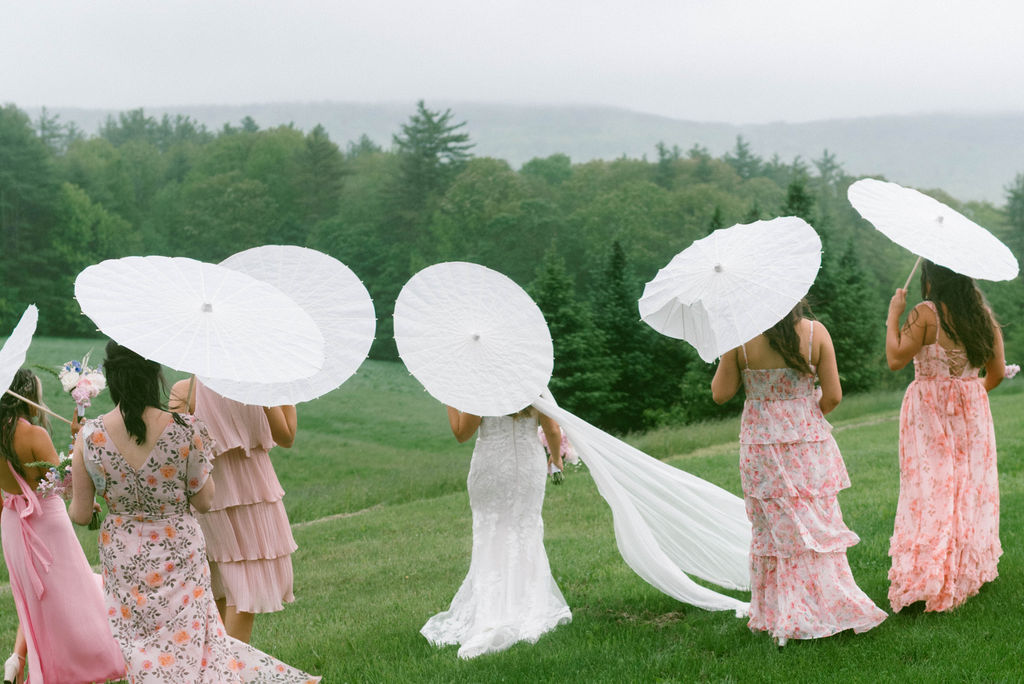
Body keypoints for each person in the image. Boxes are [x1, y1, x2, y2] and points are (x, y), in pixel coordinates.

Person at [69, 341, 319, 683]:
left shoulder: (174, 396)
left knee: (196, 607)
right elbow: (198, 483)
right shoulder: (202, 398)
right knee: (231, 595)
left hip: (136, 539)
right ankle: (221, 674)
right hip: (215, 504)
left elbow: (89, 505)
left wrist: (86, 456)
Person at [711, 303, 886, 645]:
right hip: (808, 445)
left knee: (774, 530)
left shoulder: (741, 337)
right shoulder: (815, 333)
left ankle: (780, 613)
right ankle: (821, 606)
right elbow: (833, 396)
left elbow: (720, 395)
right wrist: (803, 414)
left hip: (761, 447)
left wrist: (726, 347)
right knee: (815, 526)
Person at [885, 259, 1005, 612]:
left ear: (930, 276)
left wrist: (894, 314)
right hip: (972, 411)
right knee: (965, 487)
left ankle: (931, 574)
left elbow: (895, 359)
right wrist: (967, 392)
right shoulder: (983, 316)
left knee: (930, 487)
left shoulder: (925, 314)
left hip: (929, 413)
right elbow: (995, 374)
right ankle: (963, 570)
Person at [0, 368, 126, 684]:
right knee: (72, 595)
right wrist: (75, 438)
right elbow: (63, 483)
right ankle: (83, 660)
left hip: (13, 523)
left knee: (31, 597)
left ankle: (17, 659)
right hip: (45, 522)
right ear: (29, 396)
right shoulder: (33, 435)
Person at [421, 405, 572, 659]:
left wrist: (450, 400)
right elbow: (552, 430)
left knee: (491, 536)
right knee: (526, 531)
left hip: (492, 467)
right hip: (528, 466)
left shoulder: (482, 384)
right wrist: (556, 459)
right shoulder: (531, 380)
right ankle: (528, 604)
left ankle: (493, 609)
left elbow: (462, 433)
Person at [168, 378, 298, 644]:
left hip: (228, 494)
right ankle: (230, 671)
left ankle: (220, 666)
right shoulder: (253, 384)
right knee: (241, 586)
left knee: (221, 585)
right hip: (237, 494)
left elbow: (286, 437)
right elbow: (286, 437)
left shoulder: (186, 389)